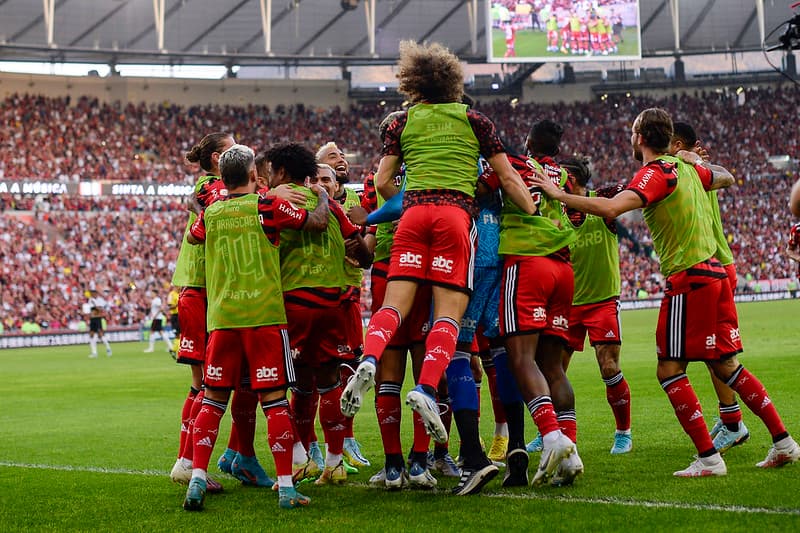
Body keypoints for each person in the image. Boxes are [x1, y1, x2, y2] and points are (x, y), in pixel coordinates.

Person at [531, 107, 800, 476]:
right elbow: (726, 177)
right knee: (725, 364)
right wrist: (690, 158)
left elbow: (611, 208)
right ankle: (784, 442)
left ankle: (708, 458)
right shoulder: (687, 168)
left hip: (689, 278)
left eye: (632, 132)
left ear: (640, 137)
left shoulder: (655, 173)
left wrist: (557, 194)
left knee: (669, 370)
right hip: (715, 274)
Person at [341, 40, 536, 496]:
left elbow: (382, 180)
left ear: (414, 83)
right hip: (454, 217)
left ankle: (367, 361)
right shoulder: (475, 120)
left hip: (412, 216)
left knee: (394, 304)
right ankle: (426, 388)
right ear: (454, 83)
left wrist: (411, 196)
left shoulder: (403, 122)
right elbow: (508, 178)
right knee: (447, 314)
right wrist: (529, 207)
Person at [183, 143, 330, 511]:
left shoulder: (213, 212)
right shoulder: (267, 204)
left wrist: (205, 203)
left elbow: (192, 236)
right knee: (275, 401)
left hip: (222, 319)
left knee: (213, 401)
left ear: (221, 178)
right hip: (264, 317)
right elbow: (316, 223)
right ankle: (285, 488)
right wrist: (323, 197)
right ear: (253, 176)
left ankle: (197, 479)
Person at [267, 145, 372, 488]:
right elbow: (360, 252)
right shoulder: (330, 203)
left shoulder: (273, 201)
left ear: (282, 172)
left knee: (295, 388)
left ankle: (299, 460)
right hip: (331, 303)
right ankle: (334, 463)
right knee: (330, 386)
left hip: (295, 304)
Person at [493, 121, 581, 488]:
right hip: (562, 267)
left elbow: (485, 185)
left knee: (520, 358)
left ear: (528, 142)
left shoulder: (512, 162)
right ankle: (571, 451)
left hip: (527, 261)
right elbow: (576, 215)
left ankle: (550, 437)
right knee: (553, 367)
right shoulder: (561, 174)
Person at [670, 122, 749, 454]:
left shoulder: (686, 170)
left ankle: (733, 423)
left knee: (714, 354)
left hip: (711, 265)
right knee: (711, 352)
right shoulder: (691, 170)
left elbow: (727, 175)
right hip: (714, 265)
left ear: (677, 144)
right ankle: (730, 416)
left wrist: (695, 160)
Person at [169, 131, 233, 495]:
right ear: (214, 159)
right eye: (230, 149)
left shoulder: (205, 189)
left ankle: (187, 462)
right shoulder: (214, 189)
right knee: (205, 385)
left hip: (205, 289)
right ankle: (187, 463)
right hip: (202, 289)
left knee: (205, 385)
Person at [555, 155, 632, 455]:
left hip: (602, 302)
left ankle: (623, 432)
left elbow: (639, 193)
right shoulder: (557, 211)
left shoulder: (606, 200)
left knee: (609, 365)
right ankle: (550, 431)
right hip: (567, 305)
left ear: (570, 180)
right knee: (553, 370)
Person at [315, 141, 372, 470]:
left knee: (349, 371)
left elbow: (365, 252)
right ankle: (312, 449)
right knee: (312, 379)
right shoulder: (307, 199)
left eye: (341, 157)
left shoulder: (353, 200)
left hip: (347, 293)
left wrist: (364, 226)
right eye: (332, 157)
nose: (341, 161)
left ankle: (344, 441)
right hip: (315, 293)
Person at [144, 290, 173, 356]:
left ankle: (151, 348)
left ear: (155, 293)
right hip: (157, 318)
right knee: (161, 332)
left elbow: (161, 308)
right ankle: (170, 346)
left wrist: (155, 315)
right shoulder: (154, 300)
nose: (151, 294)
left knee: (152, 331)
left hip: (157, 318)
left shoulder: (157, 300)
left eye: (152, 293)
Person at [86, 289, 112, 358]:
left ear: (96, 293)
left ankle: (108, 348)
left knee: (101, 334)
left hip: (98, 318)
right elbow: (91, 310)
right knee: (91, 335)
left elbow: (101, 309)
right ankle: (94, 352)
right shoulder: (90, 300)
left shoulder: (100, 300)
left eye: (92, 293)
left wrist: (95, 305)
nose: (91, 294)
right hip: (92, 319)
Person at [167, 285, 180, 354]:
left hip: (182, 315)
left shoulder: (180, 293)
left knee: (181, 333)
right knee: (177, 334)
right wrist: (178, 304)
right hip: (175, 316)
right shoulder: (171, 294)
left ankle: (175, 349)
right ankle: (175, 349)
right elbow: (170, 306)